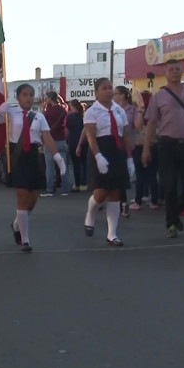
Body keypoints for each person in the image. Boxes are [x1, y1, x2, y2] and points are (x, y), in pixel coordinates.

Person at [0, 84, 66, 252]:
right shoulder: (10, 113)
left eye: (31, 94)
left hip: (35, 157)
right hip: (17, 156)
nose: (28, 98)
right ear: (18, 97)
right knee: (22, 195)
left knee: (33, 198)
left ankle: (16, 224)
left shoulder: (39, 117)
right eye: (25, 94)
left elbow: (47, 137)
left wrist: (58, 157)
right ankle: (25, 239)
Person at [142, 59, 184, 238]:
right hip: (167, 146)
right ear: (165, 73)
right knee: (170, 185)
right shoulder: (159, 96)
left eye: (177, 69)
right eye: (171, 70)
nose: (174, 72)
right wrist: (146, 148)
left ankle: (177, 213)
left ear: (182, 71)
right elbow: (151, 123)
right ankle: (171, 222)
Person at [82, 78, 135, 246]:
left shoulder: (119, 111)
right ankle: (91, 212)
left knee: (115, 193)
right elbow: (90, 135)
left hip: (117, 150)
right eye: (104, 88)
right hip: (100, 150)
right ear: (97, 92)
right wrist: (98, 155)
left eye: (110, 87)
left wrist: (129, 158)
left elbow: (126, 134)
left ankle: (112, 234)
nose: (108, 91)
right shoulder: (92, 111)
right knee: (100, 193)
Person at [112, 86, 138, 217]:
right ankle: (115, 202)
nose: (113, 95)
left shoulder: (132, 109)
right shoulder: (111, 109)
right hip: (113, 146)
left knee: (123, 177)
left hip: (129, 145)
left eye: (115, 93)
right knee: (114, 177)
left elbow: (138, 126)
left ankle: (124, 203)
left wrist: (141, 108)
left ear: (122, 95)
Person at [41, 92, 71, 197]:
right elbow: (66, 108)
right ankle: (66, 189)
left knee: (50, 167)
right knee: (63, 165)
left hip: (50, 141)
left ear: (49, 98)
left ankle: (50, 189)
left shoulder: (47, 112)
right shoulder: (62, 110)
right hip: (61, 140)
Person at [66, 99, 87, 192]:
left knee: (75, 164)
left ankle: (77, 184)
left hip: (73, 141)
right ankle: (84, 183)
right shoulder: (84, 116)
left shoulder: (69, 117)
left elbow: (66, 130)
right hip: (84, 141)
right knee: (84, 163)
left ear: (72, 106)